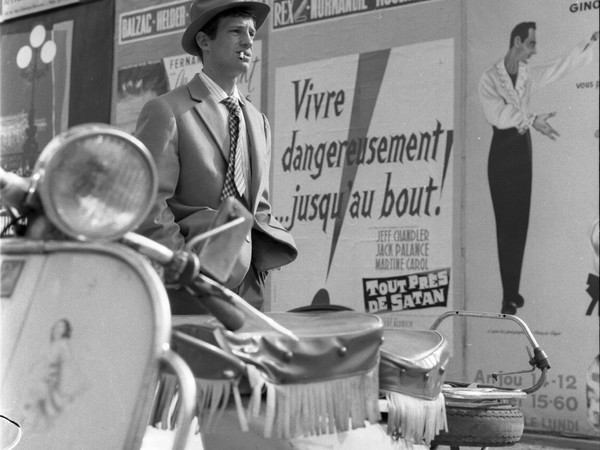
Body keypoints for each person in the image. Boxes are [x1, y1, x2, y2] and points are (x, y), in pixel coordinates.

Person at [134, 0, 297, 313]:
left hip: (248, 289)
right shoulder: (167, 111)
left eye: (251, 32)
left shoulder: (258, 121)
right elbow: (146, 203)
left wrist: (268, 250)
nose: (248, 41)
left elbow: (257, 205)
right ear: (204, 41)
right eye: (236, 31)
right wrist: (183, 268)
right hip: (188, 285)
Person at [478, 22, 598, 314]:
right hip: (502, 151)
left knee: (520, 222)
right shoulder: (489, 78)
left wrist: (588, 44)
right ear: (517, 41)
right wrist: (532, 120)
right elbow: (498, 113)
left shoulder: (527, 75)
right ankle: (507, 295)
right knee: (505, 224)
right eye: (531, 44)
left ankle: (513, 290)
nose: (534, 51)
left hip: (522, 151)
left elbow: (556, 68)